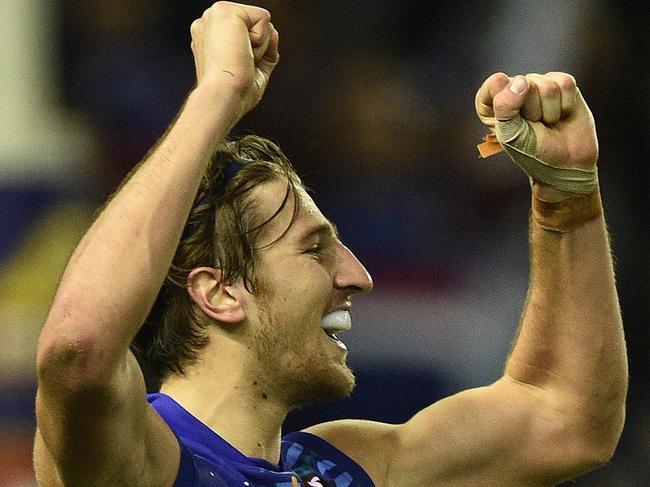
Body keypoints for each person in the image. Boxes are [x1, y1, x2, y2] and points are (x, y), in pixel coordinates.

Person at [34, 2, 627, 486]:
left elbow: (568, 416)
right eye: (315, 248)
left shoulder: (347, 467)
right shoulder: (137, 461)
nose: (358, 275)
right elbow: (78, 348)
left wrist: (567, 194)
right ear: (218, 292)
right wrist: (219, 94)